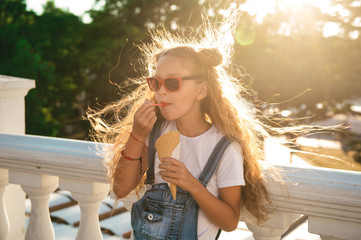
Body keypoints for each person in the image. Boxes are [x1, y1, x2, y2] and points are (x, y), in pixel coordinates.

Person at [88, 13, 272, 240]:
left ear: (201, 91)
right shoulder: (155, 133)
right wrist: (137, 135)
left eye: (173, 83)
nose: (161, 91)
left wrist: (192, 185)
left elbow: (230, 221)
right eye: (156, 82)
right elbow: (121, 188)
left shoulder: (224, 148)